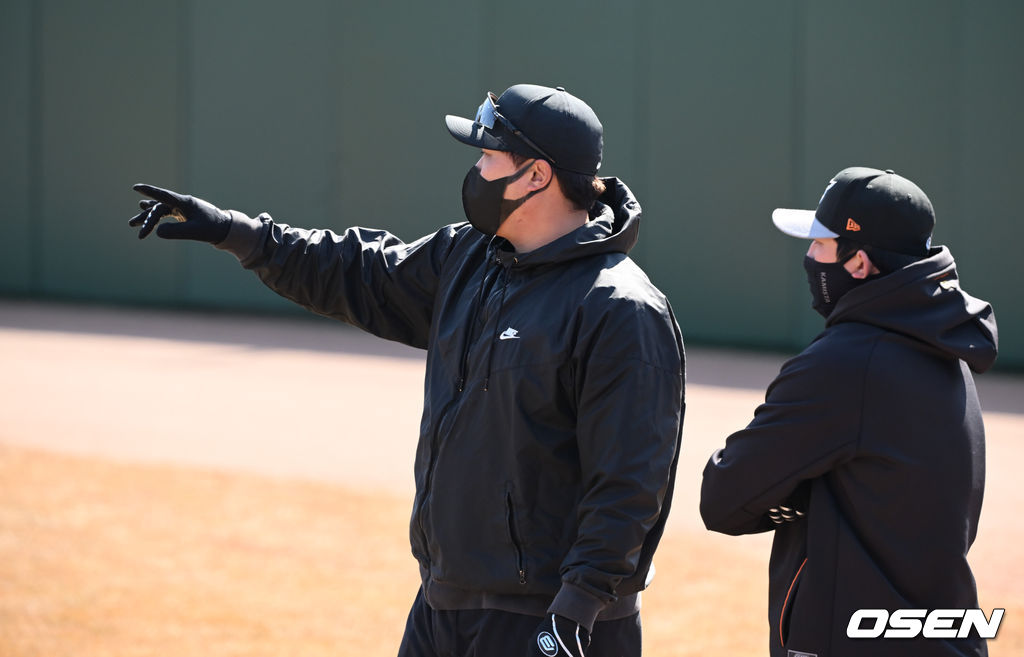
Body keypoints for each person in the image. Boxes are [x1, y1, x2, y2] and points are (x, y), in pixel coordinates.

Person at [128, 83, 685, 657]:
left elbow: (629, 481)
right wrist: (235, 232)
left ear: (536, 176)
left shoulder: (620, 309)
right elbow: (357, 271)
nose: (477, 169)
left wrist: (578, 609)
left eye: (489, 155)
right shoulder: (469, 256)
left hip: (551, 624)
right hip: (443, 604)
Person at [699, 167, 998, 657]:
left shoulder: (846, 362)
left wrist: (800, 492)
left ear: (858, 264)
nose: (809, 256)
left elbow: (723, 496)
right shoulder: (944, 344)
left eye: (820, 243)